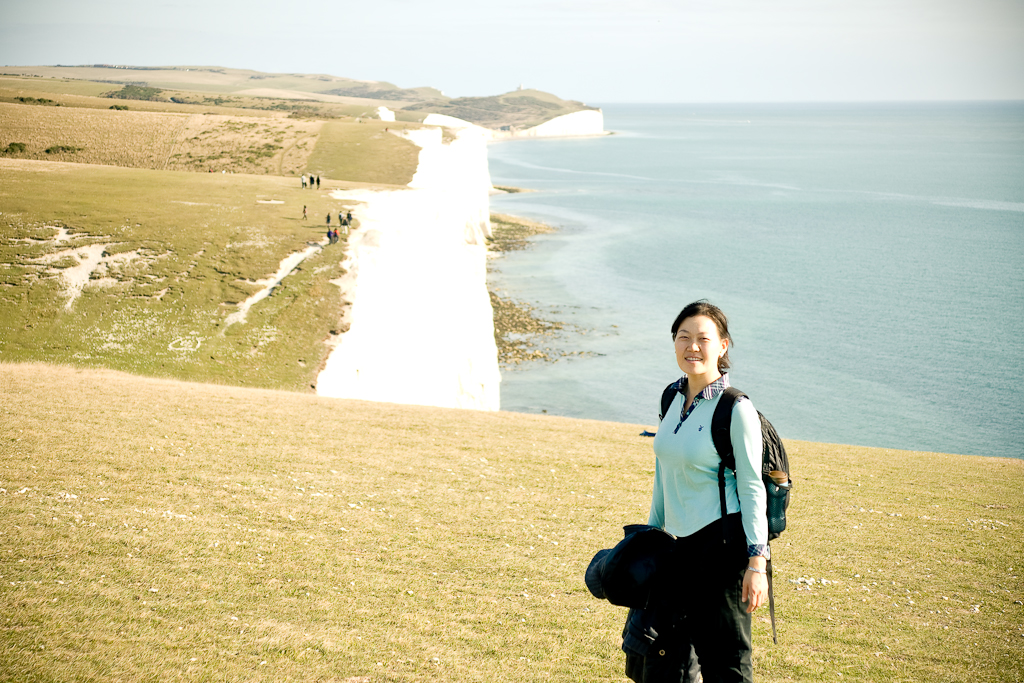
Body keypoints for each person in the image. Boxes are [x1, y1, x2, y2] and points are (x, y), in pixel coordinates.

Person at [641, 300, 767, 683]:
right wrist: (649, 539)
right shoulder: (672, 397)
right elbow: (664, 471)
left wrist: (756, 564)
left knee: (725, 663)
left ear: (723, 346)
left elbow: (751, 487)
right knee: (672, 659)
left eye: (703, 339)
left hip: (721, 551)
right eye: (683, 337)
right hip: (676, 548)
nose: (692, 347)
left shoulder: (736, 408)